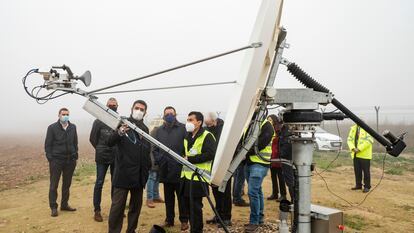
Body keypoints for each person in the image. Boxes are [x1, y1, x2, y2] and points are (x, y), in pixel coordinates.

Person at [107, 100, 151, 233]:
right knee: (117, 207)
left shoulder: (145, 129)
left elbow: (146, 149)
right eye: (137, 108)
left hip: (139, 175)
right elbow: (109, 142)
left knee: (135, 207)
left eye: (142, 109)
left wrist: (147, 167)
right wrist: (119, 132)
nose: (139, 111)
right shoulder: (122, 123)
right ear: (132, 109)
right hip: (123, 173)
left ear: (145, 113)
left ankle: (131, 230)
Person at [180, 111, 216, 233]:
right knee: (188, 207)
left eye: (191, 120)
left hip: (198, 178)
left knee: (195, 207)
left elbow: (210, 154)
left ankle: (197, 230)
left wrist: (190, 159)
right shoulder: (187, 136)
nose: (188, 122)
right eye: (187, 120)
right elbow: (184, 153)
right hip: (186, 177)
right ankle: (193, 229)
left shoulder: (207, 136)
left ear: (199, 122)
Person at [153, 106, 188, 230]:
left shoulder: (183, 128)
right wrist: (160, 160)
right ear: (163, 115)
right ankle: (169, 219)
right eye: (167, 113)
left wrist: (184, 159)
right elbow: (155, 149)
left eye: (171, 113)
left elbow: (187, 146)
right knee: (168, 197)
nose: (169, 115)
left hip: (179, 169)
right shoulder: (159, 131)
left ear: (175, 114)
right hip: (165, 169)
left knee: (181, 196)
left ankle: (184, 220)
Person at [45, 107, 78, 217]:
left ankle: (64, 204)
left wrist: (75, 155)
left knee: (66, 184)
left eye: (67, 114)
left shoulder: (73, 127)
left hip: (70, 160)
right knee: (54, 185)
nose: (65, 116)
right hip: (56, 160)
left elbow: (75, 142)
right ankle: (53, 207)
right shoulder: (52, 128)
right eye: (63, 114)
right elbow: (48, 145)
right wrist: (51, 158)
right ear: (58, 115)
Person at [89, 97, 118, 222]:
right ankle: (97, 210)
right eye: (110, 105)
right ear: (106, 106)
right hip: (101, 156)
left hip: (116, 156)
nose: (112, 107)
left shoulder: (119, 121)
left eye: (114, 105)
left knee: (116, 183)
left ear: (117, 106)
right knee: (99, 182)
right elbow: (92, 139)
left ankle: (116, 209)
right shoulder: (98, 121)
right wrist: (101, 148)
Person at [244, 116, 274, 233]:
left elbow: (259, 145)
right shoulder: (251, 124)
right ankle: (259, 218)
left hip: (260, 163)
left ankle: (254, 222)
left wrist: (243, 153)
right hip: (250, 162)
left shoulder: (266, 125)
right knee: (257, 191)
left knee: (252, 192)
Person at [204, 112, 232, 227]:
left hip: (223, 164)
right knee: (215, 191)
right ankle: (218, 215)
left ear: (213, 119)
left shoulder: (224, 129)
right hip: (212, 165)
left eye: (206, 118)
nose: (205, 120)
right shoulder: (208, 129)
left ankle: (226, 218)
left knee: (224, 192)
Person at [347, 124, 373, 193]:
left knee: (366, 171)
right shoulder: (353, 129)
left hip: (364, 155)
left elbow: (370, 140)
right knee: (357, 171)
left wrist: (359, 149)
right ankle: (358, 185)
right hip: (355, 154)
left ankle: (367, 186)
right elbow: (349, 139)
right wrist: (352, 148)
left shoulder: (367, 128)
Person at [267, 114, 287, 202]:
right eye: (268, 120)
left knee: (281, 177)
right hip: (271, 156)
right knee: (273, 176)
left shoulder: (279, 130)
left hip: (278, 157)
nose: (269, 121)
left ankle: (283, 195)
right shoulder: (268, 130)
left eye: (271, 120)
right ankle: (275, 193)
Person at [146, 126, 164, 209]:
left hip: (159, 159)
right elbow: (152, 148)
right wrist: (153, 160)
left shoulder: (160, 132)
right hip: (153, 158)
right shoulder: (156, 132)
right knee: (152, 177)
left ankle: (156, 196)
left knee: (157, 178)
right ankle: (149, 199)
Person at [279, 122, 295, 202]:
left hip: (287, 160)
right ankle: (294, 200)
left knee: (290, 181)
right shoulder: (288, 131)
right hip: (291, 160)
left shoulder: (286, 133)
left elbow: (286, 147)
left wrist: (281, 154)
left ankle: (294, 200)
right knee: (291, 180)